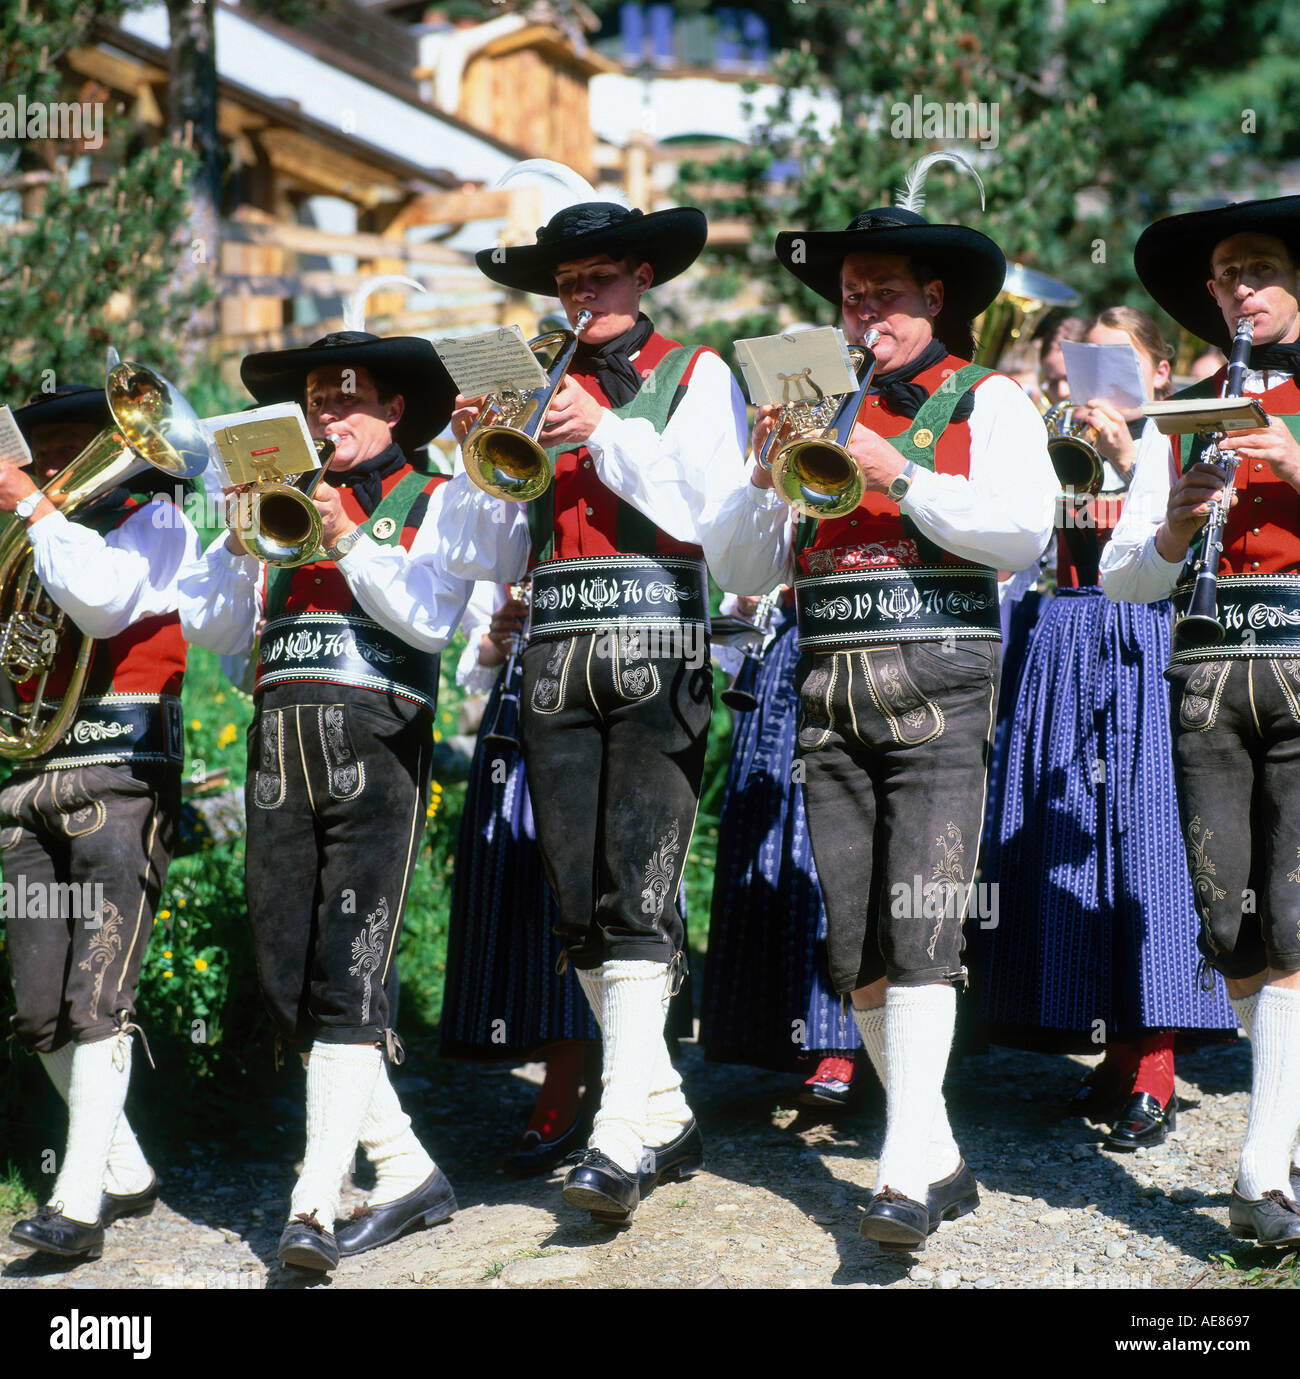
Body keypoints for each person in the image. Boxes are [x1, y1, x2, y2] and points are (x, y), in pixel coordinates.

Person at [704, 154, 1056, 1252]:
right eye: (851, 297)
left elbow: (1022, 531)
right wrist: (765, 480)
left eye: (885, 295)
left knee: (923, 920)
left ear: (934, 299)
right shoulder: (807, 401)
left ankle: (904, 1166)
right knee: (853, 931)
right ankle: (934, 1146)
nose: (865, 314)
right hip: (828, 681)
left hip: (942, 676)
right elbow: (735, 567)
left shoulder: (986, 395)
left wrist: (891, 468)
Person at [437, 184, 749, 1224]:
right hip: (557, 648)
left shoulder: (698, 376)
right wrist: (474, 460)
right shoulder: (539, 384)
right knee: (576, 898)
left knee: (641, 879)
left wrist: (606, 426)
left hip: (659, 637)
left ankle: (620, 1129)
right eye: (567, 285)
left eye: (598, 280)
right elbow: (486, 552)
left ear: (643, 277)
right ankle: (656, 1103)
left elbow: (706, 518)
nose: (580, 299)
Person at [178, 325, 469, 1271]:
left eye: (345, 399)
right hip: (277, 740)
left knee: (353, 969)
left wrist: (346, 536)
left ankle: (312, 1201)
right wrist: (230, 545)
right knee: (285, 970)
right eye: (314, 401)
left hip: (378, 743)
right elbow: (221, 644)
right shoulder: (275, 506)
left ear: (393, 411)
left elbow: (430, 618)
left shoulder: (434, 494)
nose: (325, 416)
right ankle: (406, 1166)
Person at [979, 307, 1236, 1148]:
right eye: (1083, 365)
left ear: (1159, 374)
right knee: (1072, 850)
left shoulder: (1178, 437)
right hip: (1063, 640)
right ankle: (1114, 1047)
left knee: (1150, 847)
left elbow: (1178, 556)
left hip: (1147, 638)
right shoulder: (1060, 434)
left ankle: (1159, 1065)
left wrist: (1133, 462)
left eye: (1120, 364)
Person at [1102, 195, 1300, 1246]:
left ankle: (1262, 1166)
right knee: (1228, 926)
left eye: (1258, 268)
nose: (1239, 289)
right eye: (1225, 276)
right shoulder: (1180, 406)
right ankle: (1289, 1104)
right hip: (1207, 675)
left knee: (1298, 911)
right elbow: (1122, 578)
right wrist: (1174, 523)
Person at [4, 382, 202, 1260]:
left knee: (97, 994)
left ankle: (77, 1203)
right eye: (40, 451)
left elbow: (102, 603)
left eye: (74, 446)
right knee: (38, 1009)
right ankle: (123, 1170)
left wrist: (32, 508)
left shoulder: (153, 515)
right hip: (28, 787)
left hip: (119, 778)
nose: (55, 464)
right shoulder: (29, 534)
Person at [439, 580, 602, 1175]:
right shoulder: (502, 505)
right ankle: (564, 1065)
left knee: (597, 875)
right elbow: (468, 637)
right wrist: (492, 639)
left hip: (613, 685)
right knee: (526, 884)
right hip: (521, 703)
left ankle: (585, 1076)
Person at [702, 590, 862, 1106]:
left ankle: (843, 1043)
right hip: (784, 658)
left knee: (834, 843)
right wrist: (747, 601)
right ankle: (780, 1034)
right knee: (766, 844)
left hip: (860, 642)